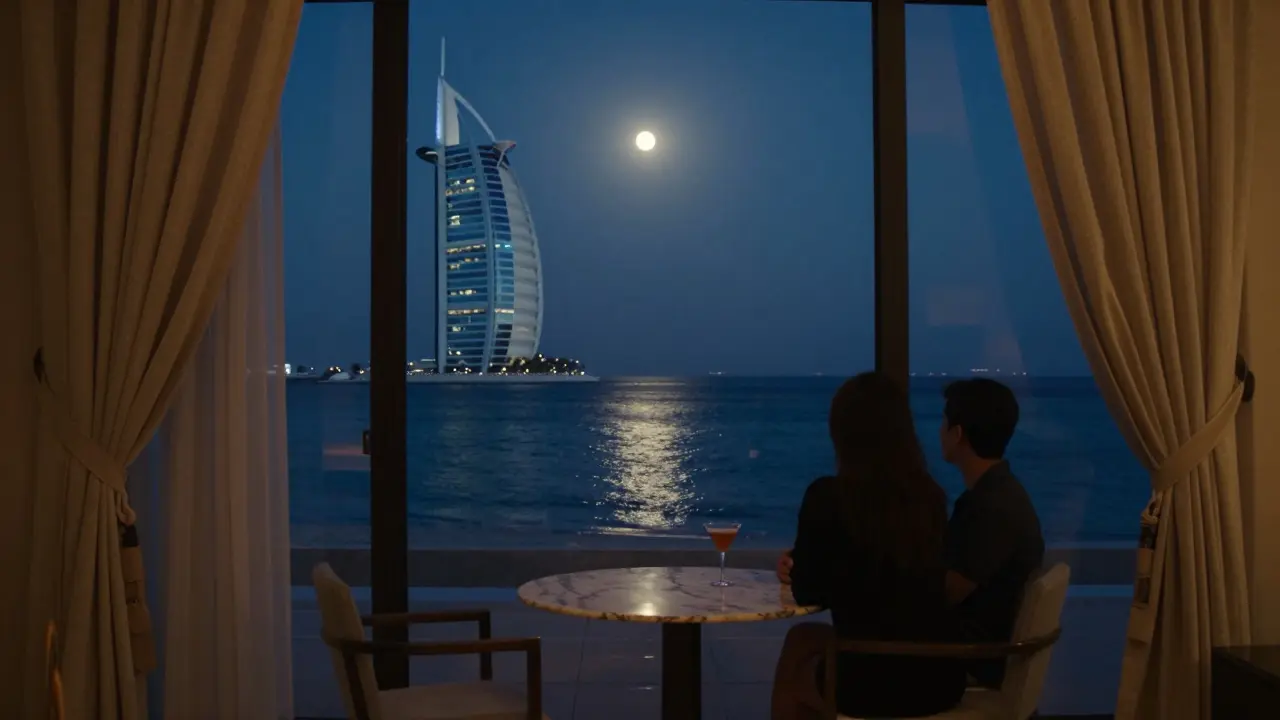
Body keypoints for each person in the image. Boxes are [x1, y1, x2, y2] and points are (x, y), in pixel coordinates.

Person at [771, 373, 966, 719]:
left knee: (795, 680)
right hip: (941, 676)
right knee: (802, 639)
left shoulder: (829, 497)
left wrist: (799, 568)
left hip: (874, 681)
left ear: (841, 432)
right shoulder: (928, 498)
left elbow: (809, 591)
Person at [938, 378, 1045, 688]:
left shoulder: (988, 508)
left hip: (969, 664)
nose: (939, 429)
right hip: (981, 653)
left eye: (944, 420)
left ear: (958, 434)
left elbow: (945, 594)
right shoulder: (1002, 493)